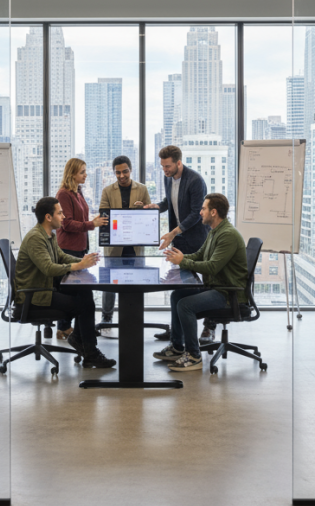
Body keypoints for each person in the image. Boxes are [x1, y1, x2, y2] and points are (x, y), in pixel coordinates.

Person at [14, 197, 115, 369]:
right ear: (48, 217)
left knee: (85, 293)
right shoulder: (35, 239)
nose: (63, 216)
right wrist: (79, 265)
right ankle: (90, 353)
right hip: (35, 297)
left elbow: (60, 257)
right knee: (84, 305)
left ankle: (79, 339)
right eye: (60, 213)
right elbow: (48, 268)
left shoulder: (48, 235)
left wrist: (83, 261)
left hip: (44, 289)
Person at [153, 193, 248, 372]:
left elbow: (212, 267)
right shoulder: (214, 232)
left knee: (185, 305)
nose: (200, 212)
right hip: (216, 287)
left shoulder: (227, 235)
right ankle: (177, 347)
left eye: (203, 208)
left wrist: (182, 261)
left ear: (213, 212)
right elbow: (199, 255)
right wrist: (178, 257)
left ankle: (194, 356)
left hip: (227, 293)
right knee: (177, 296)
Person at [140, 145, 210, 341]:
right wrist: (157, 207)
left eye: (168, 166)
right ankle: (177, 332)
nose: (165, 170)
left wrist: (173, 232)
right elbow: (170, 202)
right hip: (179, 240)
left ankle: (208, 327)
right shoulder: (167, 178)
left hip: (196, 239)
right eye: (162, 167)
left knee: (205, 283)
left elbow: (197, 213)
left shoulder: (195, 181)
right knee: (180, 287)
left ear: (179, 162)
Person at [54, 157, 107, 340]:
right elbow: (66, 224)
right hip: (68, 249)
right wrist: (92, 224)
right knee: (71, 291)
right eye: (82, 172)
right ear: (72, 174)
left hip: (80, 247)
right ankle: (64, 328)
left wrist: (93, 220)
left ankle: (81, 329)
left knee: (81, 291)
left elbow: (81, 218)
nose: (86, 175)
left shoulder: (78, 192)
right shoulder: (64, 194)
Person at [97, 155, 151, 328]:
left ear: (131, 170)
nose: (121, 176)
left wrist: (140, 212)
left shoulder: (142, 189)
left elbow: (148, 214)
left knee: (136, 283)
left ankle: (135, 315)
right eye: (118, 172)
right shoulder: (107, 191)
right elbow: (105, 218)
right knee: (110, 282)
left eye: (125, 171)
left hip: (135, 246)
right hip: (115, 246)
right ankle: (107, 317)